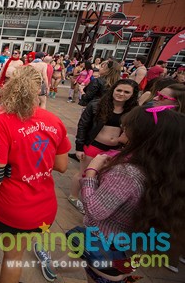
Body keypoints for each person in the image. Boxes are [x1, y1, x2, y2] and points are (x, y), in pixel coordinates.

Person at [0, 65, 70, 283]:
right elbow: (62, 165)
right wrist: (34, 164)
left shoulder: (3, 121)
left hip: (10, 206)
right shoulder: (54, 121)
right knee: (14, 254)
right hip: (42, 208)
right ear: (39, 90)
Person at [79, 106, 185, 282]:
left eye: (129, 125)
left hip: (106, 248)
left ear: (143, 134)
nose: (123, 127)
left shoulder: (126, 173)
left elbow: (94, 209)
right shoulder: (165, 169)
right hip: (130, 248)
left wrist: (91, 172)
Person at [69, 79, 139, 214]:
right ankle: (73, 196)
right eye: (119, 90)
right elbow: (83, 125)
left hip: (115, 150)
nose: (121, 94)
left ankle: (90, 200)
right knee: (84, 173)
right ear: (113, 90)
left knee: (101, 177)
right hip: (93, 145)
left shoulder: (133, 111)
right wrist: (79, 147)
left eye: (126, 92)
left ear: (133, 94)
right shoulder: (96, 105)